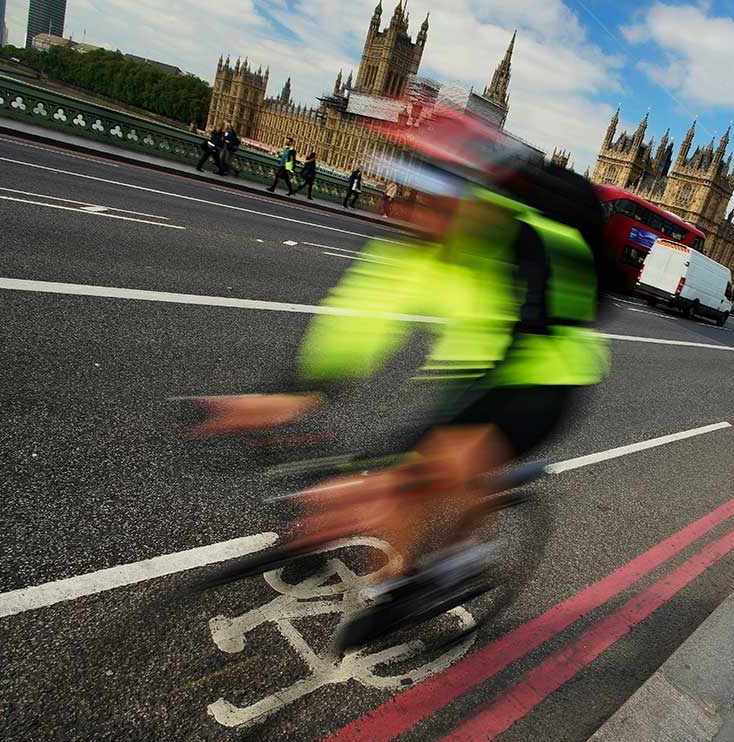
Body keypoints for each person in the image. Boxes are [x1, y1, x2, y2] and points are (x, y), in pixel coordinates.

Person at [191, 111, 610, 611]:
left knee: (428, 465)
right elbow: (363, 310)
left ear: (476, 202)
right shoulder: (427, 239)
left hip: (544, 379)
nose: (408, 212)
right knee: (405, 469)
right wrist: (297, 390)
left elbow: (512, 363)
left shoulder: (537, 246)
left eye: (428, 199)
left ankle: (463, 558)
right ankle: (398, 576)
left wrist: (398, 470)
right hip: (470, 366)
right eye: (406, 194)